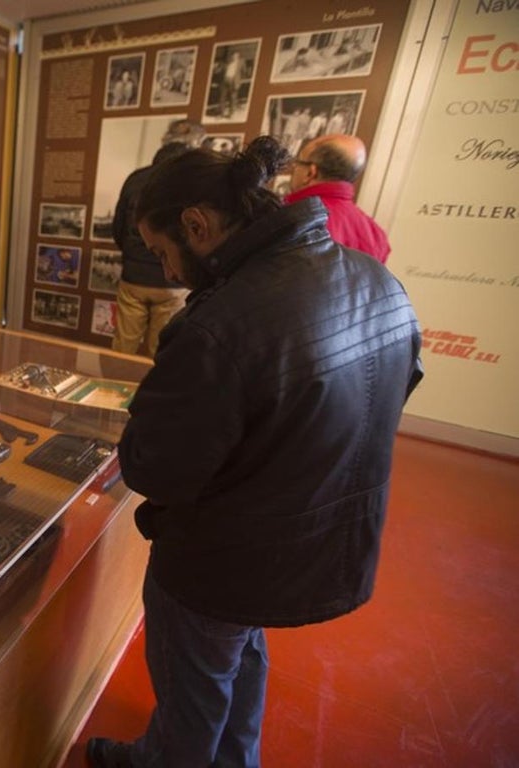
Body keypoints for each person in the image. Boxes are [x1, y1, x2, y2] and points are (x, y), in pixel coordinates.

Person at [87, 135, 422, 768]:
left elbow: (156, 469)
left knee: (194, 687)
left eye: (164, 252)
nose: (167, 272)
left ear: (197, 225)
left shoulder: (219, 326)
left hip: (225, 560)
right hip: (314, 540)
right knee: (239, 657)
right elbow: (385, 398)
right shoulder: (379, 281)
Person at [110, 119, 206, 356]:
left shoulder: (136, 179)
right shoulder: (195, 181)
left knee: (122, 350)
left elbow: (118, 228)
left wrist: (135, 254)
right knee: (161, 353)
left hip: (134, 277)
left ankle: (111, 392)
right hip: (173, 282)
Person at [286, 133, 391, 263]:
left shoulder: (291, 220)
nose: (293, 169)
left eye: (298, 163)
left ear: (310, 172)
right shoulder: (376, 235)